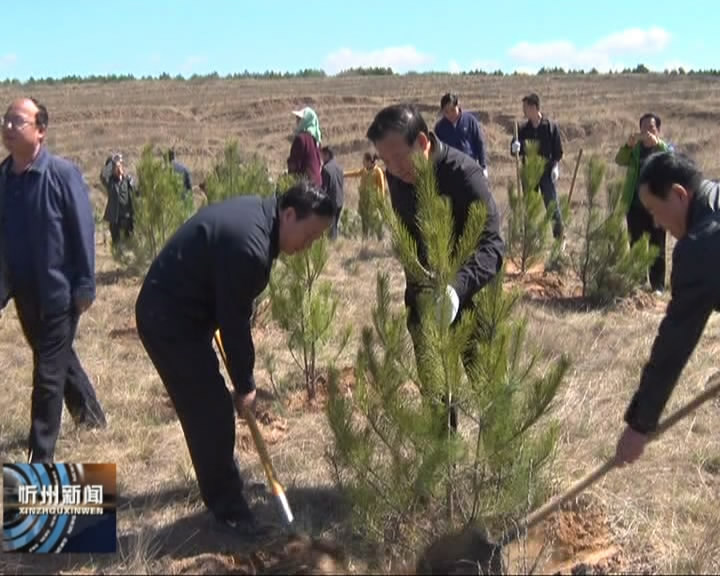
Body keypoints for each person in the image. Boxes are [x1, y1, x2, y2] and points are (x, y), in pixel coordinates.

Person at [134, 179, 335, 532]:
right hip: (168, 318)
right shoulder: (252, 247)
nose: (309, 245)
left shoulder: (261, 216)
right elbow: (235, 323)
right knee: (209, 410)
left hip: (186, 311)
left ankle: (225, 485)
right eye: (310, 234)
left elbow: (229, 304)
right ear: (290, 214)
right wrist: (245, 384)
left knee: (209, 407)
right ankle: (229, 511)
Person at [366, 103, 505, 432]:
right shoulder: (399, 180)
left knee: (489, 394)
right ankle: (444, 469)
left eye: (399, 158)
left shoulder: (464, 175)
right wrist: (419, 305)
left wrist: (456, 288)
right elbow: (412, 246)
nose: (394, 169)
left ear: (423, 143)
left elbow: (492, 246)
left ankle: (500, 475)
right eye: (386, 161)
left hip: (473, 299)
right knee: (436, 399)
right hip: (426, 302)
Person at [0, 97, 106, 463]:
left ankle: (39, 457)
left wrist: (86, 285)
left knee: (46, 374)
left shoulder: (62, 174)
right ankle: (91, 416)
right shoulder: (3, 179)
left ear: (40, 131)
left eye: (17, 121)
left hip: (59, 293)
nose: (8, 127)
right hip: (24, 293)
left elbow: (82, 228)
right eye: (6, 121)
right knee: (57, 358)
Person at [615, 152, 720, 465]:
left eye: (654, 211)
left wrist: (639, 425)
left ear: (678, 194)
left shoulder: (701, 246)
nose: (657, 222)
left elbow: (674, 344)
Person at [616, 113, 671, 294]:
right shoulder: (635, 149)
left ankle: (658, 286)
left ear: (658, 130)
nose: (647, 131)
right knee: (636, 244)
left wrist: (658, 144)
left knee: (657, 247)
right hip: (635, 206)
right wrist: (627, 146)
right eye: (644, 127)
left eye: (651, 128)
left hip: (658, 208)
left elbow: (673, 161)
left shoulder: (663, 148)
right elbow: (620, 160)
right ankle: (638, 283)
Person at [510, 93, 564, 241]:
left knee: (552, 206)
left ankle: (559, 239)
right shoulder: (522, 129)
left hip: (546, 173)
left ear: (534, 107)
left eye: (525, 107)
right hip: (529, 174)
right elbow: (513, 151)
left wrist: (555, 167)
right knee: (530, 208)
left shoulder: (550, 127)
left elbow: (558, 151)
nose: (523, 111)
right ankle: (531, 242)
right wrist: (515, 147)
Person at [434, 92, 489, 178]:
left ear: (458, 106)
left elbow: (479, 143)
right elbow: (437, 151)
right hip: (450, 172)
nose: (450, 114)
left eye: (453, 110)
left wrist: (483, 166)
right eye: (446, 112)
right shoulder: (440, 127)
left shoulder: (470, 120)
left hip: (470, 168)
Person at [100, 153, 137, 246]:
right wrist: (112, 162)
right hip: (115, 220)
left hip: (128, 219)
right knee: (117, 247)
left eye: (120, 165)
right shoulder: (110, 183)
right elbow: (103, 176)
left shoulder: (128, 180)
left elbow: (137, 193)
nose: (119, 167)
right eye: (117, 166)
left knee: (130, 246)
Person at [287, 107, 323, 188]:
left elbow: (294, 164)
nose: (297, 121)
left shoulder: (301, 139)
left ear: (306, 121)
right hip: (317, 183)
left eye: (299, 119)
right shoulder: (316, 140)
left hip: (305, 186)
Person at [321, 146, 344, 240]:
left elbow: (324, 189)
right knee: (335, 225)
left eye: (322, 155)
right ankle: (336, 245)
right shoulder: (339, 168)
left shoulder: (326, 169)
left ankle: (334, 247)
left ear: (327, 155)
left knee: (331, 228)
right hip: (340, 200)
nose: (321, 157)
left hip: (331, 202)